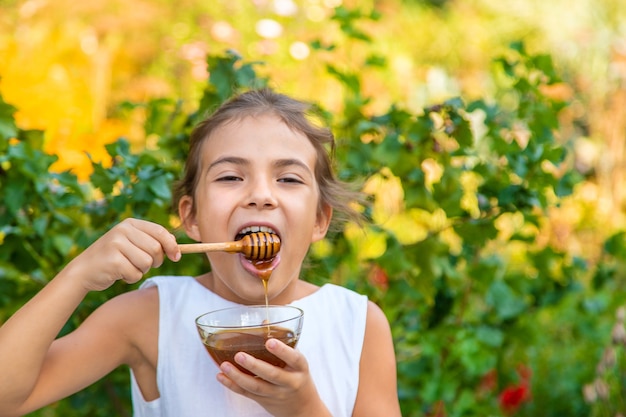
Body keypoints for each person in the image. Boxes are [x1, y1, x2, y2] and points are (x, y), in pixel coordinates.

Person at [0, 88, 401, 417]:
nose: (261, 195)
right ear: (191, 218)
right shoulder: (149, 316)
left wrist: (303, 409)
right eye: (230, 176)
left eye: (288, 178)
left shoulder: (358, 324)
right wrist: (78, 275)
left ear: (319, 220)